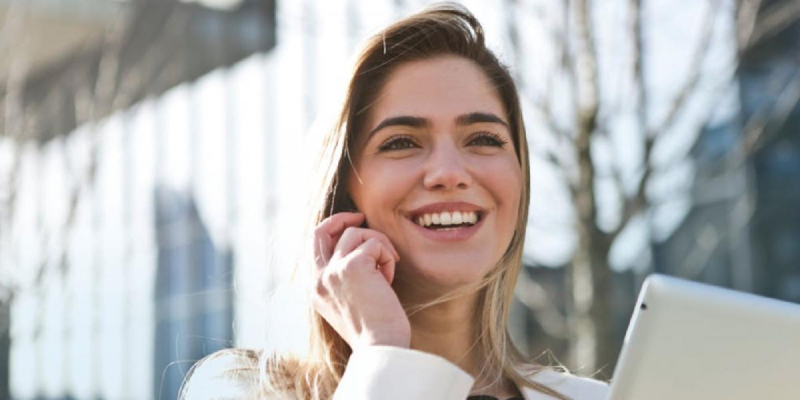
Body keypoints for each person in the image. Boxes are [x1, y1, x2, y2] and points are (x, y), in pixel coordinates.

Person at [180, 3, 609, 399]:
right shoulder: (238, 391)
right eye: (402, 141)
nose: (449, 173)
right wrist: (382, 354)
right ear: (345, 189)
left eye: (483, 139)